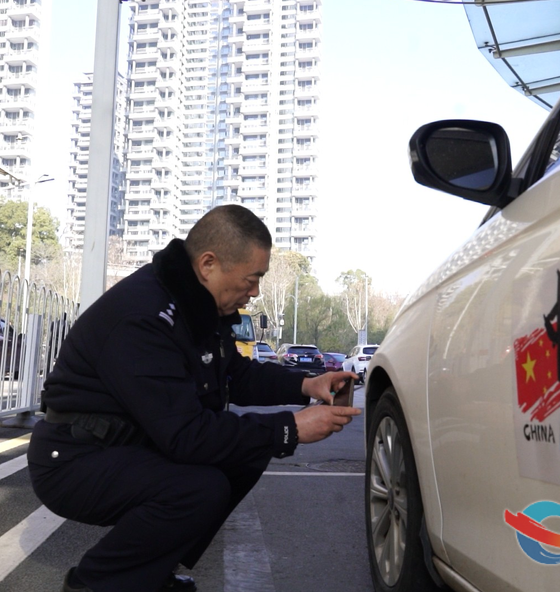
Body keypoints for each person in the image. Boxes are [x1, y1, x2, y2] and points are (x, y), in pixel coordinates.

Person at [27, 205, 361, 592]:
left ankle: (152, 570)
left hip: (124, 443)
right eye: (252, 279)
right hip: (74, 458)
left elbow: (235, 375)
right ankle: (94, 584)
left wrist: (307, 385)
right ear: (208, 264)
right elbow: (186, 434)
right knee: (197, 489)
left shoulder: (195, 305)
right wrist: (290, 428)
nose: (254, 292)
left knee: (244, 453)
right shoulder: (145, 317)